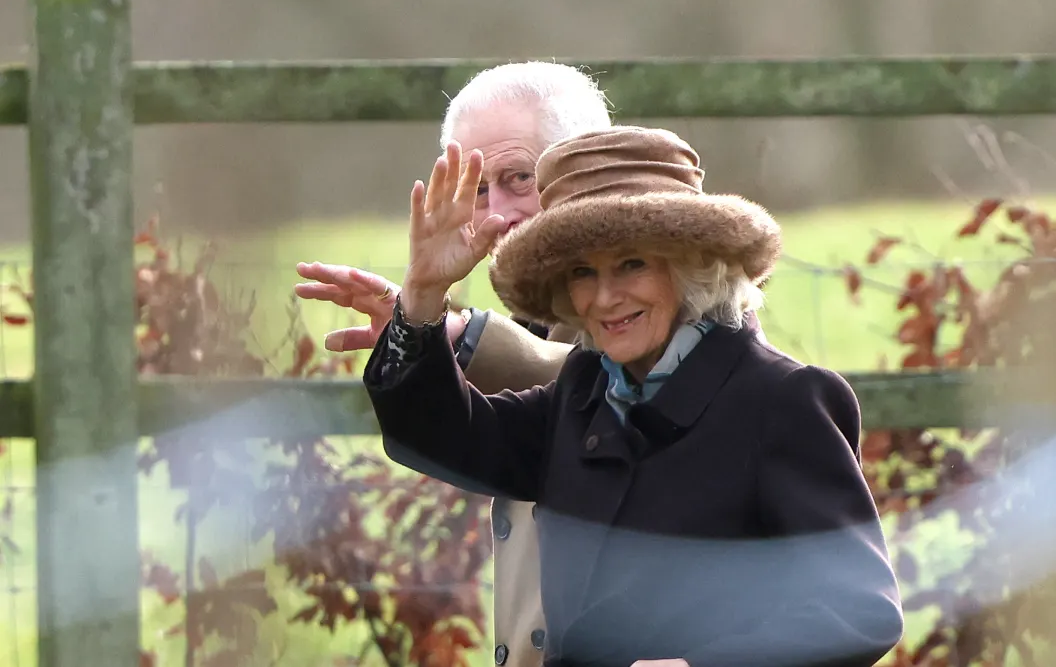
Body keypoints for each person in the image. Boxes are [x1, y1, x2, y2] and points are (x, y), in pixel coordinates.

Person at [364, 126, 904, 667]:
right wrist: (422, 301)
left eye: (632, 264)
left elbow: (857, 609)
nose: (604, 297)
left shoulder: (783, 400)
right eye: (582, 272)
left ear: (693, 264)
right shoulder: (583, 389)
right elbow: (436, 437)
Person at [294, 61, 612, 667]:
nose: (498, 215)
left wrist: (461, 333)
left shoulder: (687, 292)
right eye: (477, 191)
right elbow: (436, 440)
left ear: (586, 169)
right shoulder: (542, 319)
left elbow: (622, 389)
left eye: (519, 177)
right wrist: (420, 304)